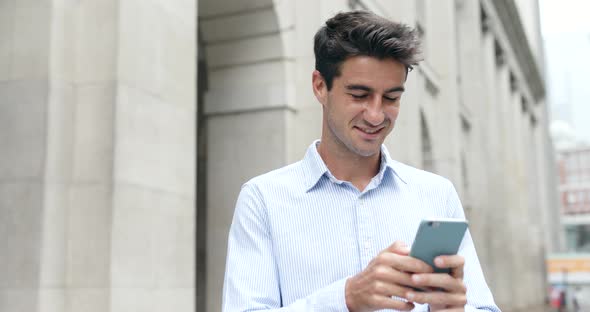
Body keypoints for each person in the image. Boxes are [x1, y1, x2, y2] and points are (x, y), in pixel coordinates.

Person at [222, 10, 500, 311]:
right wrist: (345, 299)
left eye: (391, 98)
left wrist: (453, 309)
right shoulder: (263, 199)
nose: (376, 115)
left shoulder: (436, 194)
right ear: (320, 86)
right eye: (359, 94)